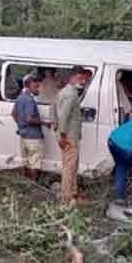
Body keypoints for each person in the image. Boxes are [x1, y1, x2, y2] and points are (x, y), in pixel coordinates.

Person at [57, 66, 88, 204]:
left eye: (84, 79)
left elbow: (55, 108)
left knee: (71, 165)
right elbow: (63, 115)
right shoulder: (71, 94)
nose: (82, 81)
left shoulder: (63, 91)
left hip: (68, 135)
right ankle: (67, 198)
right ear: (73, 77)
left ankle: (73, 194)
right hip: (69, 136)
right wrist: (62, 135)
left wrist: (57, 129)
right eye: (81, 78)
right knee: (69, 168)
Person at [12, 73, 50, 181]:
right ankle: (34, 184)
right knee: (34, 162)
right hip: (34, 136)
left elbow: (14, 114)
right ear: (28, 86)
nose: (38, 89)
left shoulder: (20, 97)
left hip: (23, 135)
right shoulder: (30, 100)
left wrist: (21, 126)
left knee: (26, 161)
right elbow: (29, 119)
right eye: (36, 86)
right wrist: (44, 123)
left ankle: (26, 183)